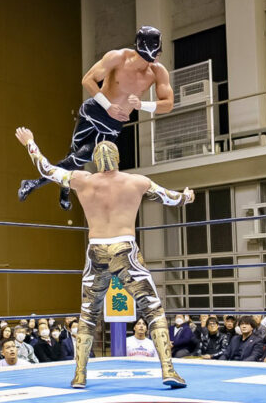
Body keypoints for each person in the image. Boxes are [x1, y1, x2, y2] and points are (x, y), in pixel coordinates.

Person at [15, 126, 193, 388]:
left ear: (96, 162)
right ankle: (168, 370)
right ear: (118, 159)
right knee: (152, 308)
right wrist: (187, 197)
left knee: (88, 313)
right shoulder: (137, 181)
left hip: (96, 249)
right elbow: (172, 199)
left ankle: (80, 375)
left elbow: (45, 169)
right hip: (125, 250)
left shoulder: (82, 180)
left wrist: (30, 142)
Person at [17, 26, 173, 210]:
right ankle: (64, 189)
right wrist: (109, 105)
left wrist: (142, 105)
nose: (154, 59)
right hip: (94, 111)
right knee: (73, 154)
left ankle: (33, 183)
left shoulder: (157, 72)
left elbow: (168, 104)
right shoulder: (117, 57)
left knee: (78, 159)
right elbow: (88, 80)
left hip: (113, 125)